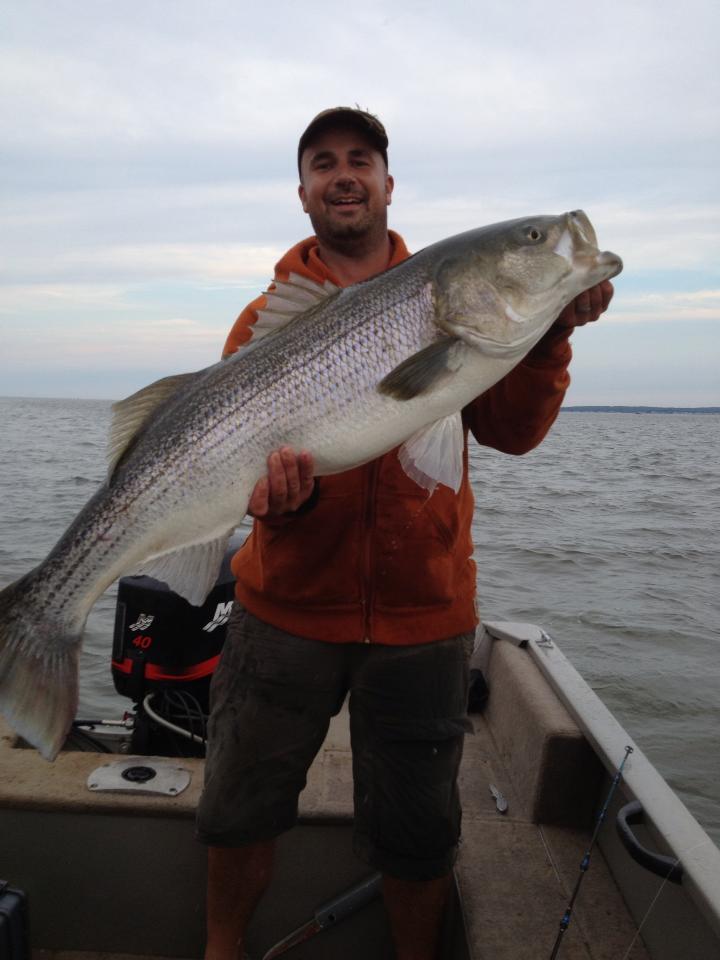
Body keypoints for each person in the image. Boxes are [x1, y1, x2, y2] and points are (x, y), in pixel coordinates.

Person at [196, 107, 614, 960]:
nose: (343, 174)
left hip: (423, 617)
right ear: (304, 191)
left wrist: (553, 330)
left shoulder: (457, 306)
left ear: (389, 184)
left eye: (361, 160)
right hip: (282, 613)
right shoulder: (267, 316)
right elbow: (230, 474)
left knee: (420, 834)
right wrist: (277, 502)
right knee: (238, 812)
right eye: (323, 163)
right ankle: (221, 951)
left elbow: (512, 432)